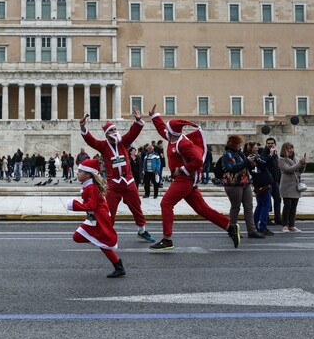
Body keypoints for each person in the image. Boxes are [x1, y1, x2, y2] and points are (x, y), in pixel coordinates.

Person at [149, 104, 240, 251]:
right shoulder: (172, 136)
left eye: (168, 127)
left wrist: (182, 169)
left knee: (166, 204)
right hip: (184, 180)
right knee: (202, 209)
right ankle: (230, 227)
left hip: (184, 180)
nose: (166, 129)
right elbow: (162, 129)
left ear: (172, 131)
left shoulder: (183, 143)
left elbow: (198, 160)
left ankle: (167, 239)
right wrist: (154, 117)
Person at [79, 106, 155, 243]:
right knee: (109, 210)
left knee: (136, 206)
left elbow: (133, 132)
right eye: (112, 130)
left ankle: (142, 231)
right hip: (113, 182)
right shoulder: (103, 146)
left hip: (128, 180)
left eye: (115, 129)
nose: (115, 132)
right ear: (107, 134)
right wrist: (84, 128)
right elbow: (91, 141)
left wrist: (138, 120)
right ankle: (105, 233)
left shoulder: (123, 142)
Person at [66, 159, 124, 278]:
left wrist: (74, 205)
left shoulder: (91, 188)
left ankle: (118, 266)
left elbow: (91, 205)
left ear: (87, 174)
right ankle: (118, 266)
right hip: (94, 218)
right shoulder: (89, 186)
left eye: (80, 171)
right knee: (101, 243)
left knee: (78, 237)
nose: (77, 173)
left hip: (98, 218)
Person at [220, 135, 264, 239]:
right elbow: (233, 168)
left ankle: (252, 230)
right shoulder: (227, 155)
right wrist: (246, 161)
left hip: (245, 183)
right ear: (233, 144)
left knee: (248, 207)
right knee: (235, 207)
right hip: (233, 184)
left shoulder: (240, 154)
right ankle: (232, 230)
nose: (240, 146)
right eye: (238, 144)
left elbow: (245, 166)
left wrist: (252, 162)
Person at [244, 141, 275, 236]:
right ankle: (262, 226)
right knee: (266, 205)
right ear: (251, 148)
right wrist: (271, 155)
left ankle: (255, 225)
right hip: (263, 183)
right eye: (255, 146)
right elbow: (264, 163)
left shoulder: (254, 156)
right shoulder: (254, 157)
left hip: (259, 183)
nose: (257, 147)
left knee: (260, 205)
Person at [278, 142, 307, 233]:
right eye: (288, 148)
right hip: (286, 186)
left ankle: (292, 225)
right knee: (288, 205)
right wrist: (299, 164)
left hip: (295, 185)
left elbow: (300, 171)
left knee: (294, 206)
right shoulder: (282, 159)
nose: (291, 150)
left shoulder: (296, 159)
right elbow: (288, 170)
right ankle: (285, 225)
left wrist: (303, 164)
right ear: (284, 150)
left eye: (292, 148)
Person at [262, 137, 282, 225]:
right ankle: (266, 218)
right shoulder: (264, 153)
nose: (270, 145)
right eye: (268, 143)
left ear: (275, 144)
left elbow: (277, 167)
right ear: (266, 144)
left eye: (272, 143)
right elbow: (264, 163)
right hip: (267, 181)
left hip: (275, 181)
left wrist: (279, 178)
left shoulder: (275, 153)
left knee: (277, 199)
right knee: (267, 201)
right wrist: (270, 154)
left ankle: (278, 218)